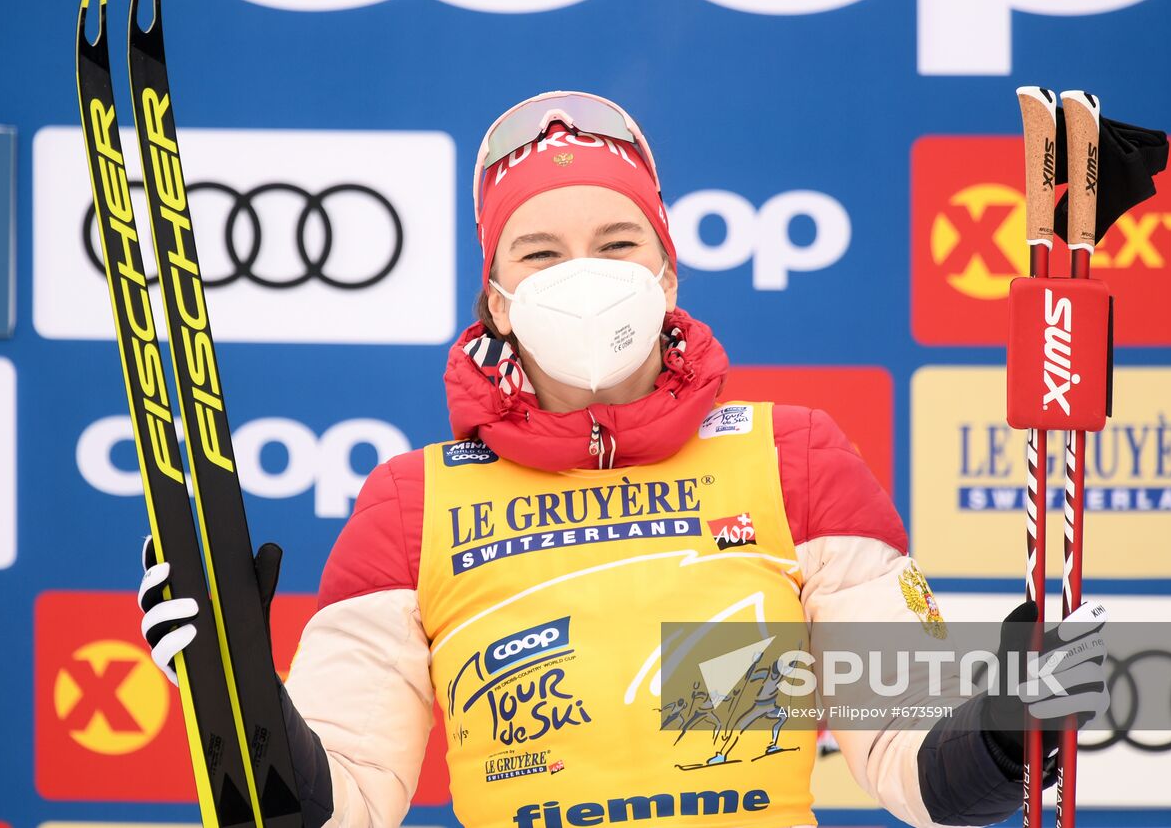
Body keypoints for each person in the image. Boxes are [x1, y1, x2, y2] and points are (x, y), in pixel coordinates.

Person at [138, 91, 1109, 828]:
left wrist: (1004, 725)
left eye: (614, 240)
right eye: (540, 253)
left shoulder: (794, 456)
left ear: (665, 270)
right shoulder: (409, 505)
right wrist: (233, 694)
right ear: (496, 295)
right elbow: (334, 801)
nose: (584, 275)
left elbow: (911, 757)